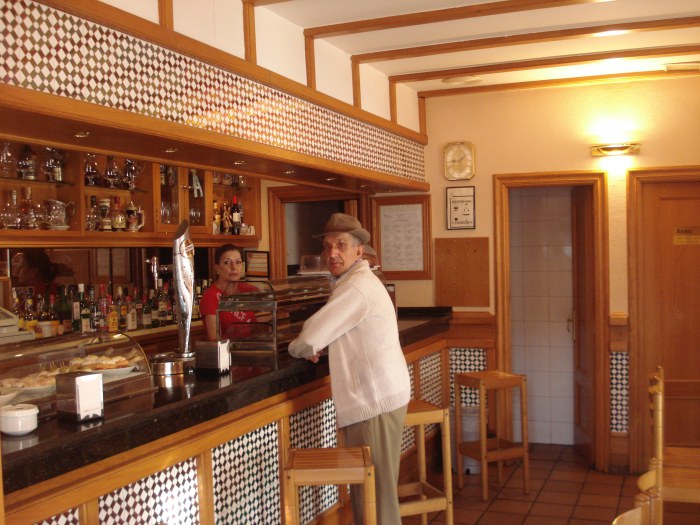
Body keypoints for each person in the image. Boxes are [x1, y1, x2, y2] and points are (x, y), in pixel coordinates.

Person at [288, 213, 410, 525]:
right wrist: (320, 343)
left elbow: (309, 337)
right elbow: (340, 331)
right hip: (379, 398)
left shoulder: (356, 287)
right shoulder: (356, 282)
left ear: (359, 250)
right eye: (328, 246)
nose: (332, 253)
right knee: (372, 497)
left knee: (377, 502)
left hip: (374, 402)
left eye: (341, 245)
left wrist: (300, 346)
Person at [199, 244, 255, 341]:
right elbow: (215, 340)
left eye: (238, 262)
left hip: (251, 346)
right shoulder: (210, 296)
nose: (234, 267)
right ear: (217, 268)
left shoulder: (246, 290)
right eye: (227, 262)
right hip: (229, 349)